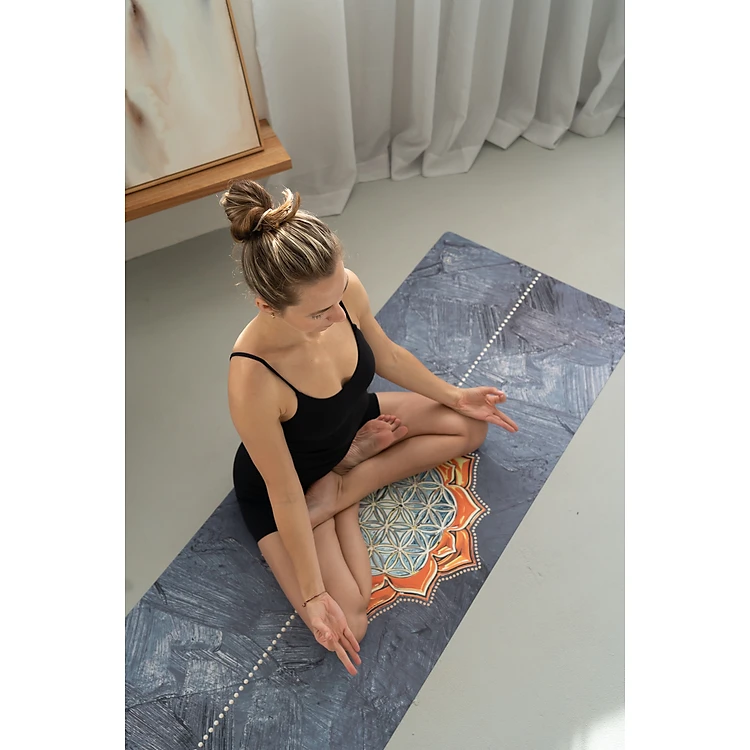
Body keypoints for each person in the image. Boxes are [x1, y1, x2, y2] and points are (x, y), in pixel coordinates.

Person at [223, 180, 518, 677]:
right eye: (319, 312)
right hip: (289, 484)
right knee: (349, 621)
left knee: (469, 427)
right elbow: (285, 493)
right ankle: (336, 490)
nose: (337, 314)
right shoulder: (252, 379)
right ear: (267, 306)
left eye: (339, 293)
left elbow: (388, 356)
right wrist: (313, 596)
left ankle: (344, 483)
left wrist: (454, 395)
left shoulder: (343, 290)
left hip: (349, 422)